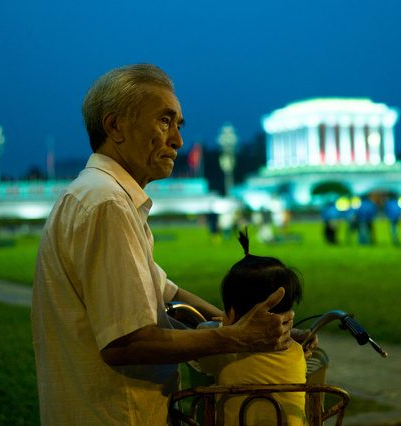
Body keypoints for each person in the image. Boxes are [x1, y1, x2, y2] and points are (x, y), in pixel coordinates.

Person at [31, 64, 305, 425]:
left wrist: (257, 327)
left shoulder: (107, 198)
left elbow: (165, 291)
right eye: (164, 121)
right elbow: (126, 343)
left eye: (178, 125)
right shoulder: (106, 203)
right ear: (115, 126)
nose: (177, 140)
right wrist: (236, 338)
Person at [198, 230, 307, 425]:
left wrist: (221, 329)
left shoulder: (223, 351)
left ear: (234, 312)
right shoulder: (296, 352)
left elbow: (201, 346)